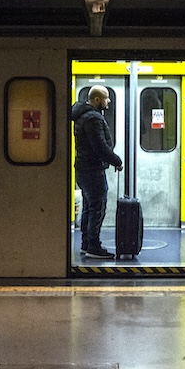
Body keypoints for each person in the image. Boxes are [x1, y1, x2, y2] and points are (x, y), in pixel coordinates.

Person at [71, 85, 123, 259]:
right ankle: (94, 246)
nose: (108, 101)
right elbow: (100, 147)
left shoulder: (82, 115)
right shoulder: (93, 118)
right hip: (92, 169)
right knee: (97, 207)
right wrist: (117, 161)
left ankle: (87, 244)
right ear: (96, 100)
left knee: (89, 207)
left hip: (83, 169)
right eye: (106, 98)